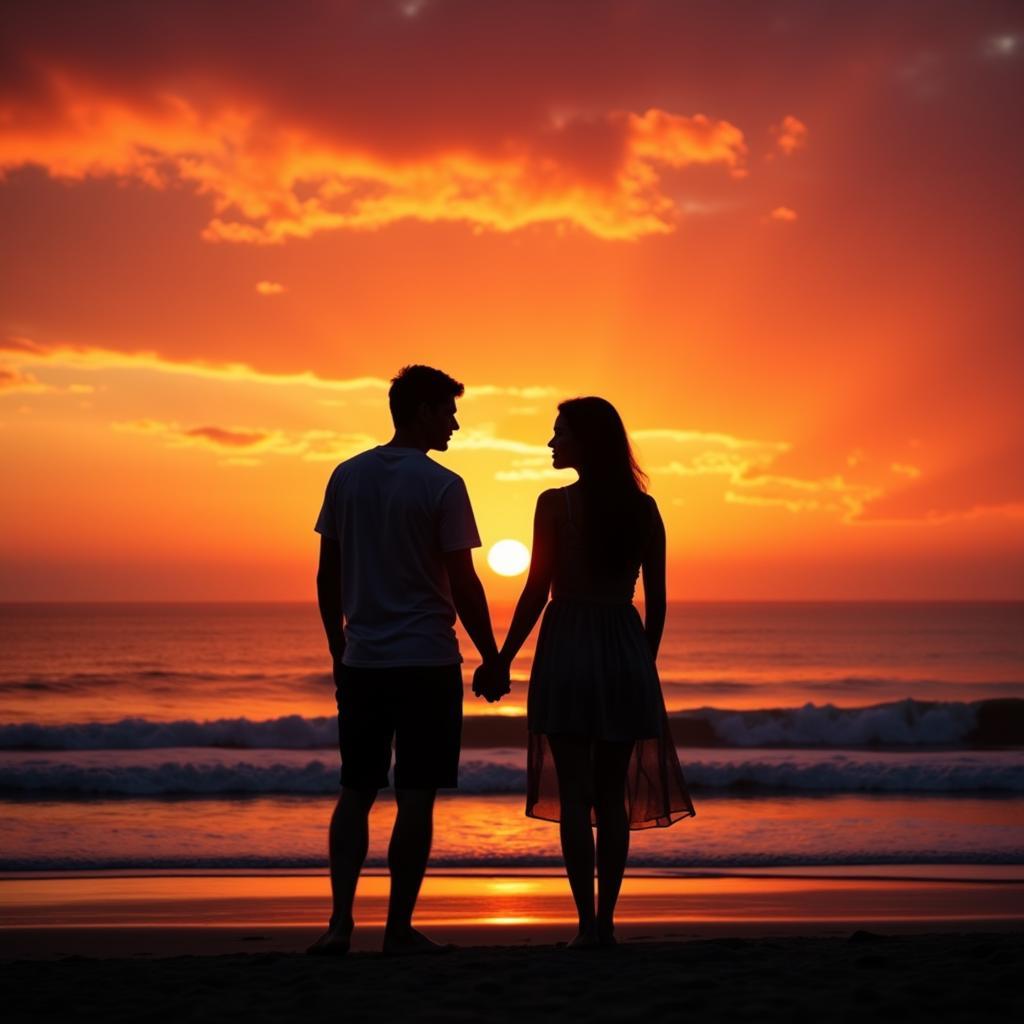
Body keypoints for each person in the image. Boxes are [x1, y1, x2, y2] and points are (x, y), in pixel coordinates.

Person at [308, 364, 509, 957]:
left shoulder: (347, 476)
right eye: (447, 411)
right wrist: (492, 656)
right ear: (422, 411)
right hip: (425, 661)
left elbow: (328, 575)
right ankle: (397, 928)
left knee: (356, 789)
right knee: (416, 795)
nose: (454, 423)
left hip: (364, 661)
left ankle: (340, 924)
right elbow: (465, 582)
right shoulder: (442, 485)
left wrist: (337, 649)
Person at [494, 397, 694, 948]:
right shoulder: (644, 509)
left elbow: (537, 589)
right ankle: (606, 923)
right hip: (623, 649)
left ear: (587, 441)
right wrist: (641, 664)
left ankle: (586, 925)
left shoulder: (555, 505)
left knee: (578, 795)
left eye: (560, 434)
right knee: (611, 796)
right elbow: (658, 603)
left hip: (568, 648)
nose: (552, 443)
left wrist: (504, 658)